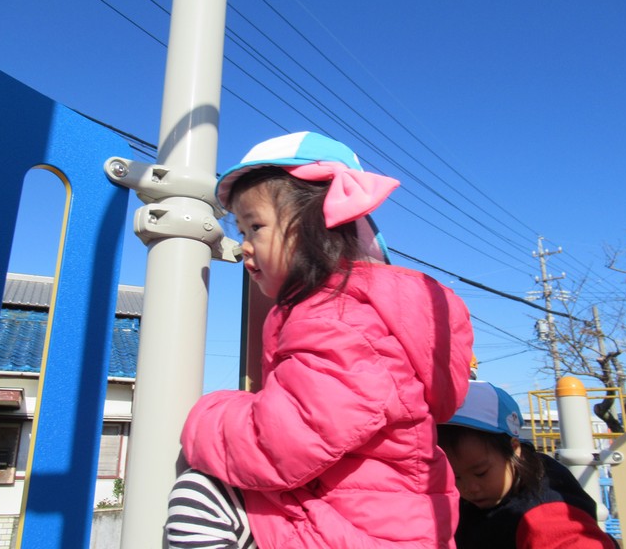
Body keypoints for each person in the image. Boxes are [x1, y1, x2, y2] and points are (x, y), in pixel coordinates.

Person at [165, 131, 474, 548]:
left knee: (201, 492)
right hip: (355, 519)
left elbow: (278, 445)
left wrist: (201, 415)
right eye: (240, 231)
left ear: (317, 225)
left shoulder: (341, 322)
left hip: (355, 532)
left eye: (255, 227)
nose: (244, 246)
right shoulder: (352, 315)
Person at [437, 380, 619, 549]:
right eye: (455, 477)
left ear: (515, 449)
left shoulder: (544, 513)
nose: (470, 488)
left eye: (481, 473)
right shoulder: (465, 499)